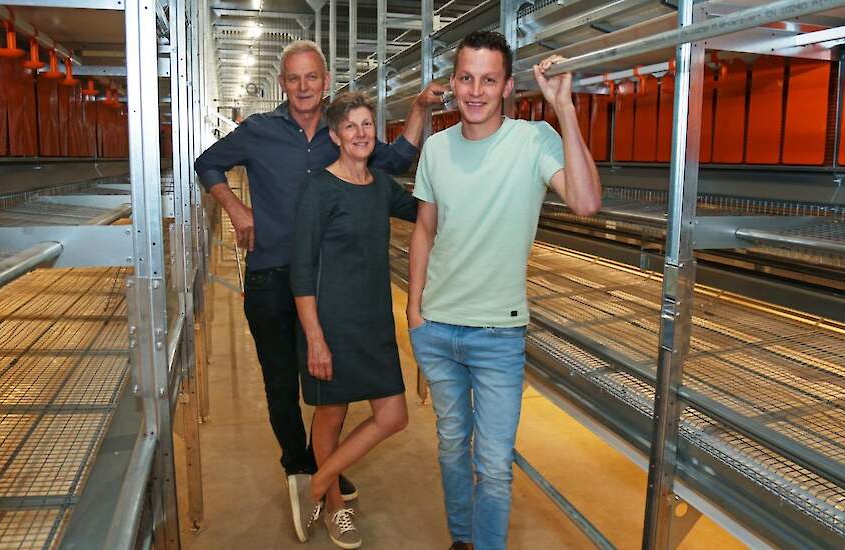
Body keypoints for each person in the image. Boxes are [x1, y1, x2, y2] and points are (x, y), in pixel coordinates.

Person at [193, 40, 444, 526]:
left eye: (312, 77)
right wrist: (235, 205)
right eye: (294, 78)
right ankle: (301, 466)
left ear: (326, 81)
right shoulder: (260, 130)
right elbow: (207, 162)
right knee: (282, 382)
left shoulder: (339, 129)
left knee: (329, 388)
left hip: (324, 284)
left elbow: (393, 161)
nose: (304, 86)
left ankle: (323, 470)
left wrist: (417, 109)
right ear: (282, 84)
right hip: (272, 272)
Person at [407, 31, 602, 550]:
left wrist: (565, 107)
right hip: (438, 327)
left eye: (488, 80)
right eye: (467, 78)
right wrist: (414, 311)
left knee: (492, 465)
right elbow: (424, 229)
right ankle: (461, 540)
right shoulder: (436, 148)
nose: (476, 91)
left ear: (507, 86)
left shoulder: (534, 139)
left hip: (498, 336)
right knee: (451, 447)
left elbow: (585, 202)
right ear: (453, 83)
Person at [290, 92, 418, 548]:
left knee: (394, 415)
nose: (362, 134)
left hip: (375, 322)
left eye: (367, 125)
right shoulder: (319, 188)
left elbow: (425, 211)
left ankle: (318, 482)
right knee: (332, 411)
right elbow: (301, 268)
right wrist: (315, 339)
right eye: (352, 127)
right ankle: (336, 509)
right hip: (331, 323)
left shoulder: (381, 185)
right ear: (335, 136)